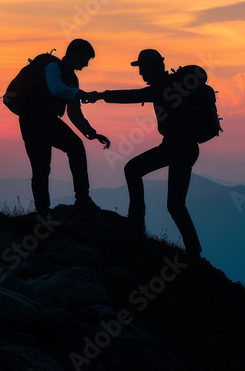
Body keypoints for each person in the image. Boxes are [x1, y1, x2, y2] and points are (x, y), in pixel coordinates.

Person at [84, 49, 203, 258]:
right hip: (186, 147)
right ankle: (194, 252)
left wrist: (101, 96)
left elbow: (134, 95)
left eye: (142, 68)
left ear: (151, 67)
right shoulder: (170, 85)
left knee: (133, 169)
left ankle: (136, 225)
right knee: (175, 204)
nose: (140, 74)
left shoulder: (163, 87)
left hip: (176, 147)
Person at [18, 39, 110, 214]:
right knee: (41, 167)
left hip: (47, 120)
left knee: (74, 148)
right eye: (86, 59)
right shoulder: (52, 66)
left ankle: (82, 198)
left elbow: (74, 113)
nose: (86, 64)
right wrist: (80, 93)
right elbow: (57, 89)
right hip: (32, 119)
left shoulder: (72, 78)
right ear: (75, 55)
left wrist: (92, 133)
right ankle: (43, 211)